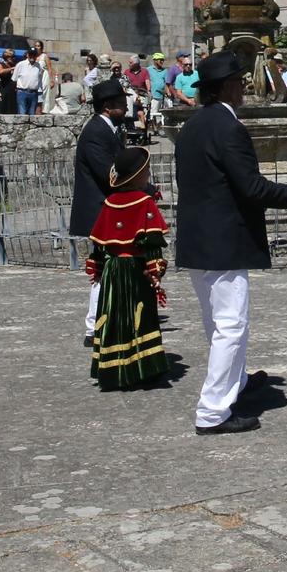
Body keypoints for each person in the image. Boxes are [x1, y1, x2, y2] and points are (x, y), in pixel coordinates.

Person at [173, 49, 287, 434]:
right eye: (239, 81)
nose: (244, 86)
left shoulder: (192, 126)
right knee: (231, 325)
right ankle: (213, 411)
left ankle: (237, 385)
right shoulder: (229, 128)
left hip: (198, 239)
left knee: (217, 324)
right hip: (223, 240)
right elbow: (250, 187)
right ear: (228, 88)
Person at [85, 145, 171, 391]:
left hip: (113, 270)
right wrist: (155, 273)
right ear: (140, 177)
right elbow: (152, 243)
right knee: (140, 316)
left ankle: (112, 370)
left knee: (113, 316)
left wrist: (98, 268)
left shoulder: (109, 203)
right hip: (135, 270)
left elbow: (99, 244)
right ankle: (142, 369)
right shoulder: (145, 203)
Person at [69, 78, 129, 346]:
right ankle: (93, 326)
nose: (126, 106)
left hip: (108, 212)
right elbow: (110, 173)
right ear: (107, 106)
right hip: (99, 212)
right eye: (121, 103)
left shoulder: (108, 129)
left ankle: (104, 319)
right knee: (104, 270)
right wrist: (143, 186)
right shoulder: (95, 132)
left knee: (109, 269)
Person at [12, 48, 47, 116]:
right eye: (30, 54)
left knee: (32, 114)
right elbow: (14, 79)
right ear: (27, 55)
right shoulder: (20, 65)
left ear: (36, 56)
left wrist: (40, 92)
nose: (32, 56)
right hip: (22, 92)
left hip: (33, 93)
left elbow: (39, 80)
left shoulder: (39, 66)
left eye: (34, 55)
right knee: (22, 113)